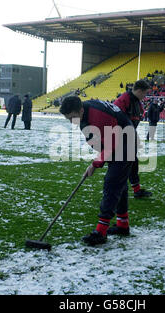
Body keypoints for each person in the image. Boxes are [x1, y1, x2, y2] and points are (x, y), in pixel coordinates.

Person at [59, 96, 135, 246]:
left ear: (80, 110)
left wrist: (95, 164)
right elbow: (98, 141)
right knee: (119, 184)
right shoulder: (83, 116)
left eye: (73, 117)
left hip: (125, 141)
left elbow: (112, 143)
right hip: (117, 140)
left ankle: (100, 232)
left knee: (112, 183)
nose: (72, 122)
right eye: (68, 119)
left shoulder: (98, 115)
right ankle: (122, 225)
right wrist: (98, 159)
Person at [114, 80, 152, 199]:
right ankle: (117, 189)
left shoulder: (136, 101)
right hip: (121, 136)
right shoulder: (123, 100)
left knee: (133, 163)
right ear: (139, 91)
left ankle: (136, 190)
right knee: (122, 165)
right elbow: (115, 118)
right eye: (144, 93)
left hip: (129, 135)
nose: (145, 97)